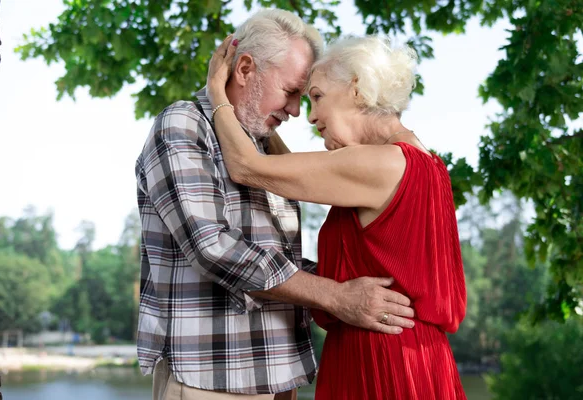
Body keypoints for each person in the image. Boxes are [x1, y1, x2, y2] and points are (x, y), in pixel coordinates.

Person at [135, 10, 415, 400]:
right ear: (245, 69)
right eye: (291, 92)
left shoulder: (262, 147)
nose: (298, 111)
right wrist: (336, 295)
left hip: (279, 376)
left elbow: (276, 259)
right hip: (213, 378)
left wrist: (360, 292)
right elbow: (213, 247)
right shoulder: (184, 125)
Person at [206, 34, 468, 399]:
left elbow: (247, 167)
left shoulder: (381, 163)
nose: (310, 115)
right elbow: (281, 169)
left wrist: (217, 92)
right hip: (416, 357)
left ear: (356, 89)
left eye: (316, 96)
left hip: (380, 359)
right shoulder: (426, 164)